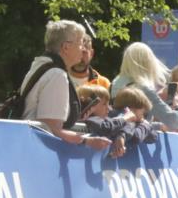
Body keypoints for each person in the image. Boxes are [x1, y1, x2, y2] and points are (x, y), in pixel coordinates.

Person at [19, 20, 115, 154]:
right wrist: (87, 141)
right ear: (65, 47)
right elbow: (51, 130)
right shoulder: (57, 75)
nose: (83, 49)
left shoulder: (42, 65)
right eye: (81, 43)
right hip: (39, 152)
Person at [110, 42, 178, 132]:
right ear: (148, 62)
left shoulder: (114, 84)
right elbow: (174, 122)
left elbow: (130, 121)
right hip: (138, 142)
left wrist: (159, 126)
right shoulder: (143, 88)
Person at [78, 85, 158, 148]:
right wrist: (126, 119)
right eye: (104, 104)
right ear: (91, 105)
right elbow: (106, 127)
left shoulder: (112, 120)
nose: (108, 108)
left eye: (108, 104)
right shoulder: (92, 119)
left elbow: (153, 137)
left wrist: (142, 123)